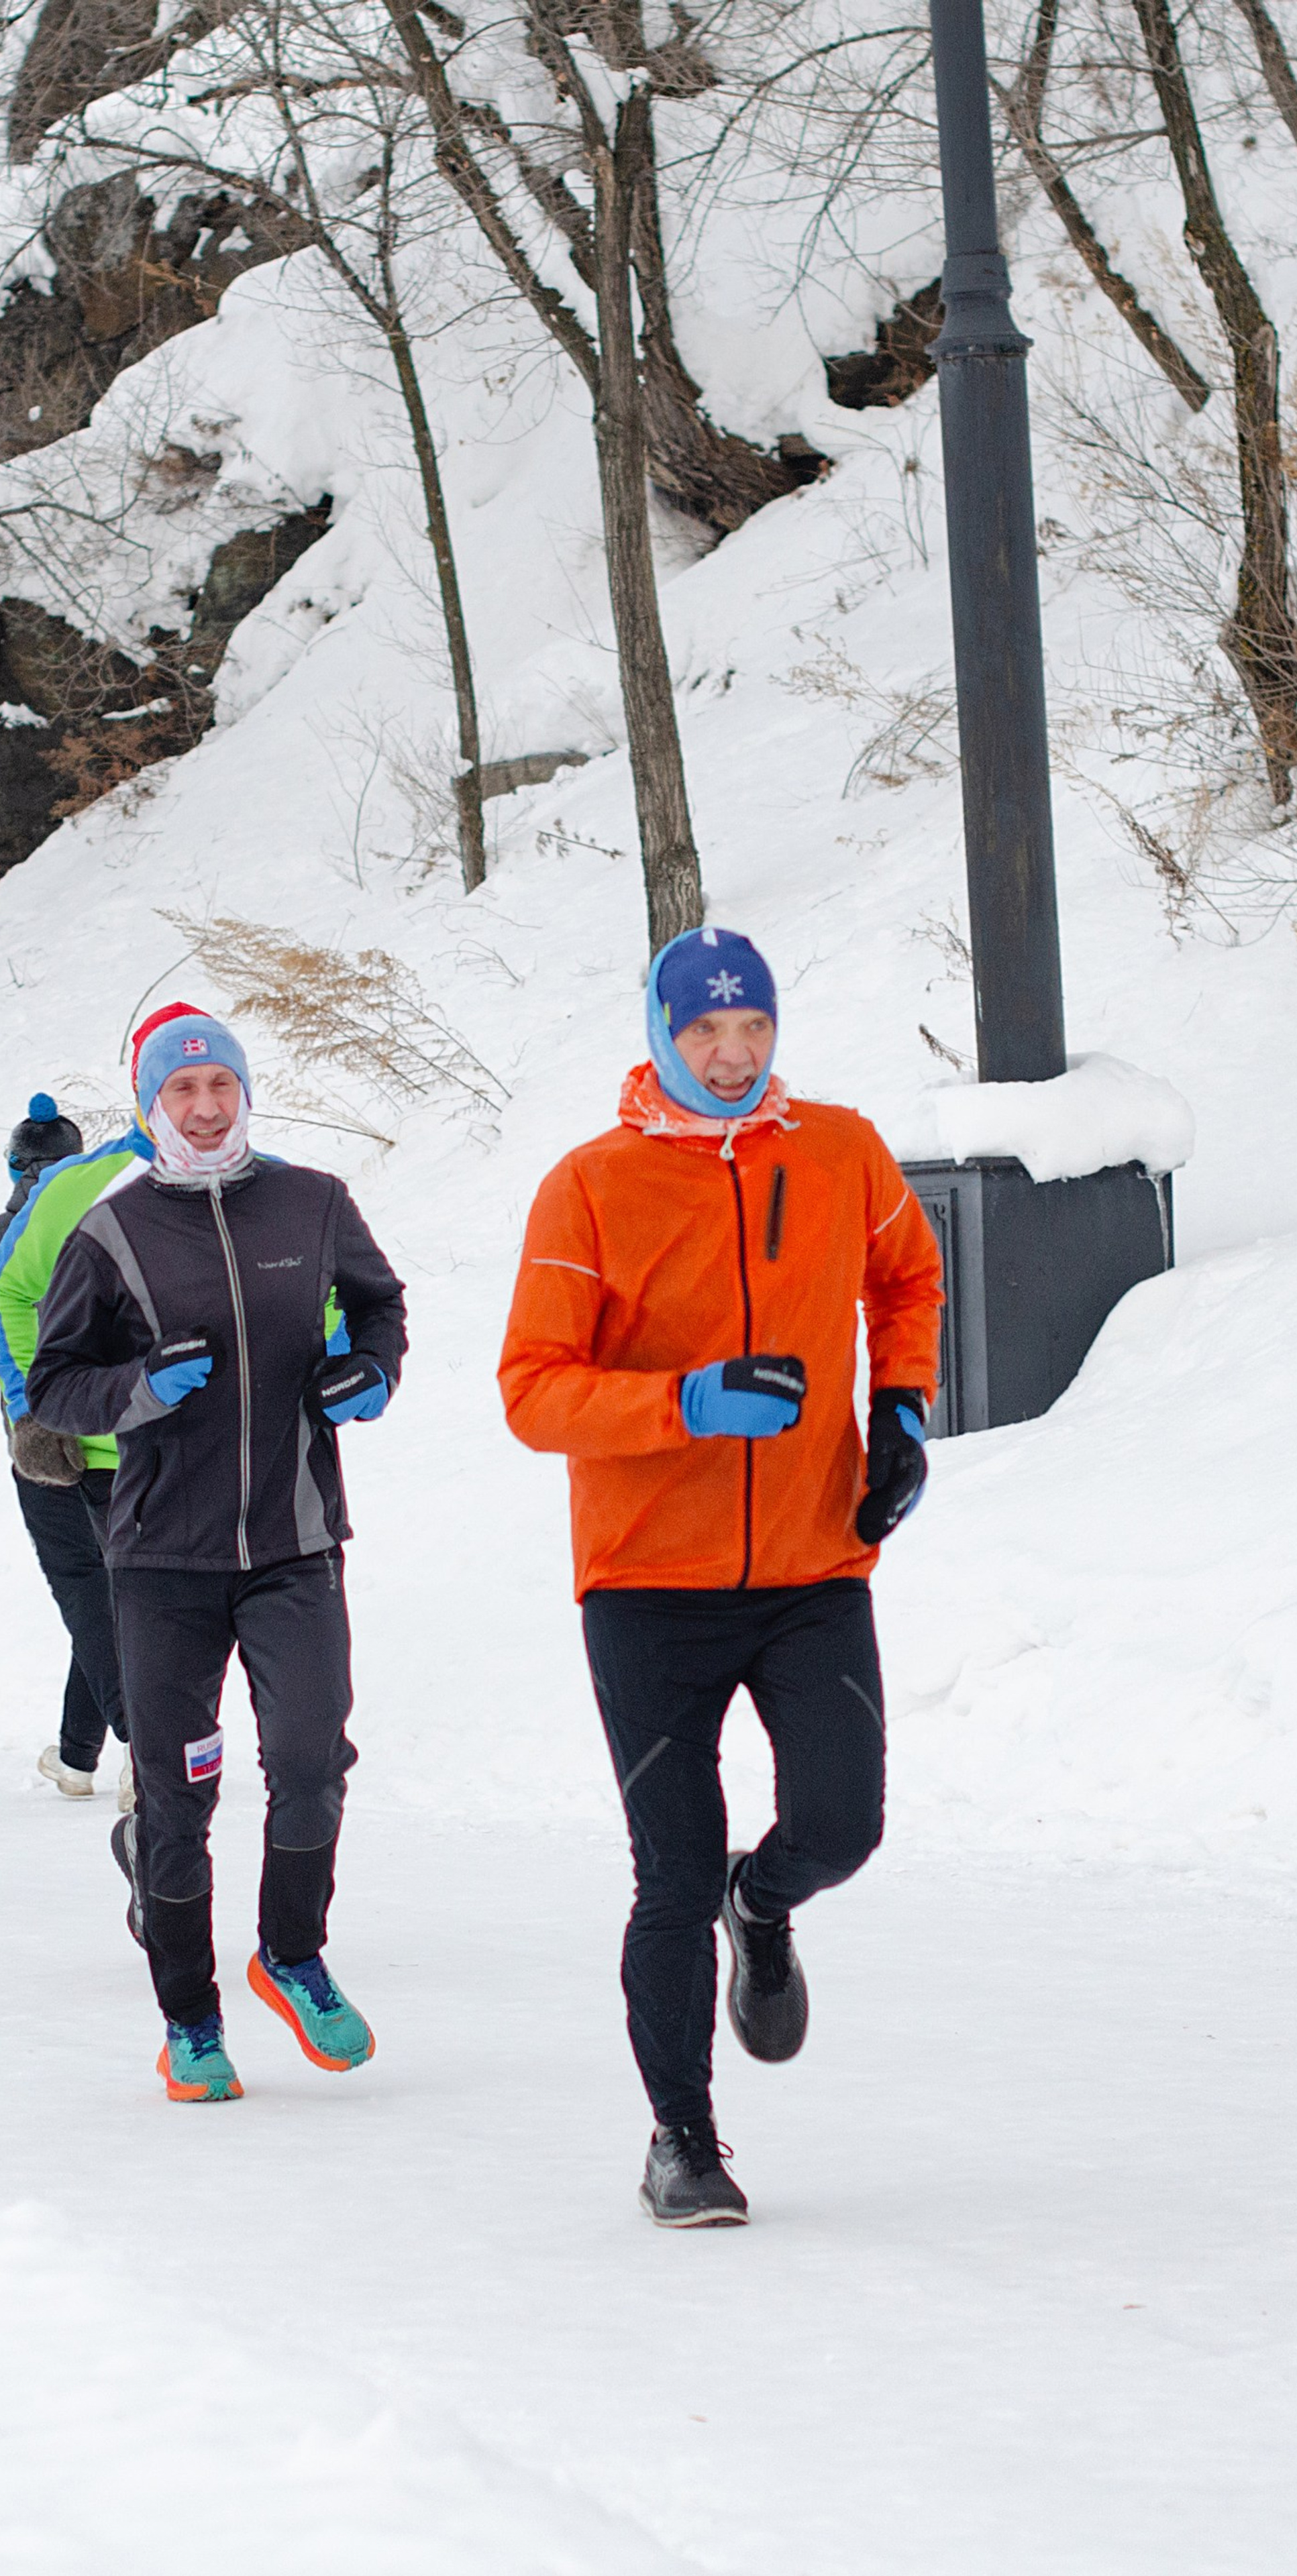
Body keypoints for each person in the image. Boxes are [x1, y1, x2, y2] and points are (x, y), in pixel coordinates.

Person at [499, 928, 943, 2226]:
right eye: (706, 1031)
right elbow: (535, 1392)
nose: (735, 1054)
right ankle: (683, 2139)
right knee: (671, 1874)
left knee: (843, 1828)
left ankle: (772, 1900)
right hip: (648, 1583)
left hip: (813, 1561)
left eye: (753, 1029)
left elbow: (906, 1274)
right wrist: (685, 1403)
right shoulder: (589, 1187)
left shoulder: (842, 1148)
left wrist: (902, 1408)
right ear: (660, 1035)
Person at [26, 1006, 407, 2104]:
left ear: (244, 1094)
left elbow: (381, 1311)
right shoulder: (114, 1233)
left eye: (220, 1088)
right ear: (152, 1108)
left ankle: (290, 1953)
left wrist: (370, 1375)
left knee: (308, 1761)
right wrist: (138, 1391)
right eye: (182, 1092)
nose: (204, 1107)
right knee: (178, 1791)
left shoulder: (313, 1202)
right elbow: (55, 1385)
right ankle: (189, 2022)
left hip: (294, 1542)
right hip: (162, 1561)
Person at [0, 1092, 133, 1809]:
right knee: (112, 1592)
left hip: (39, 1444)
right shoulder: (116, 1220)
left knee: (88, 1593)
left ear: (14, 1166)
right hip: (125, 1433)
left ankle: (140, 1741)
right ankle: (79, 1756)